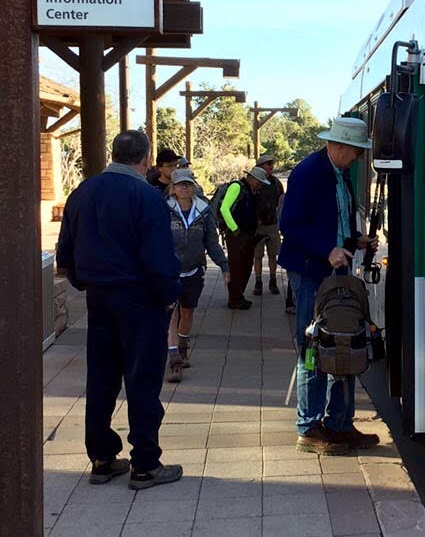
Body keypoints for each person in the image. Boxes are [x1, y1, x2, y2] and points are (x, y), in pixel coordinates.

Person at [56, 130, 183, 490]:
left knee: (101, 379)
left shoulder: (82, 192)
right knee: (142, 381)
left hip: (98, 297)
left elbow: (65, 253)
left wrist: (87, 283)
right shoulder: (146, 196)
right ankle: (144, 463)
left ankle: (102, 457)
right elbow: (159, 258)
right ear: (145, 160)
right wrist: (168, 295)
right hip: (139, 299)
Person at [280, 117, 381, 455]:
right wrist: (328, 249)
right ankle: (309, 427)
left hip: (334, 270)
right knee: (314, 347)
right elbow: (290, 224)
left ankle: (339, 423)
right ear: (338, 146)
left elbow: (336, 222)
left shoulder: (340, 173)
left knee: (346, 344)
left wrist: (354, 240)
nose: (358, 158)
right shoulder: (308, 173)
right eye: (355, 151)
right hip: (311, 272)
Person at [165, 168, 230, 383]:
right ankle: (174, 359)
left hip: (194, 269)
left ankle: (183, 346)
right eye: (180, 184)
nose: (184, 187)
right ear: (173, 189)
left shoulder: (203, 210)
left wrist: (224, 265)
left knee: (187, 311)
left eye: (188, 184)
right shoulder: (164, 208)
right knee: (171, 315)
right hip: (169, 271)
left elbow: (211, 240)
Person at [213, 166, 270, 309]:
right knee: (236, 267)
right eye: (259, 181)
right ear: (251, 178)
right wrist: (235, 229)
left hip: (247, 235)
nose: (260, 185)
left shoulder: (249, 190)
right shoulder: (237, 187)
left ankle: (239, 296)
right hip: (236, 235)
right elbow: (224, 208)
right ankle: (234, 299)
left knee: (245, 266)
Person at [252, 153, 285, 296]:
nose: (271, 166)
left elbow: (281, 202)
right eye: (268, 164)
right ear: (260, 166)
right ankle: (258, 281)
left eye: (272, 163)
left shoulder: (276, 183)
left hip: (272, 224)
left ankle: (273, 280)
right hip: (257, 225)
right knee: (257, 255)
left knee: (273, 254)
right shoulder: (254, 183)